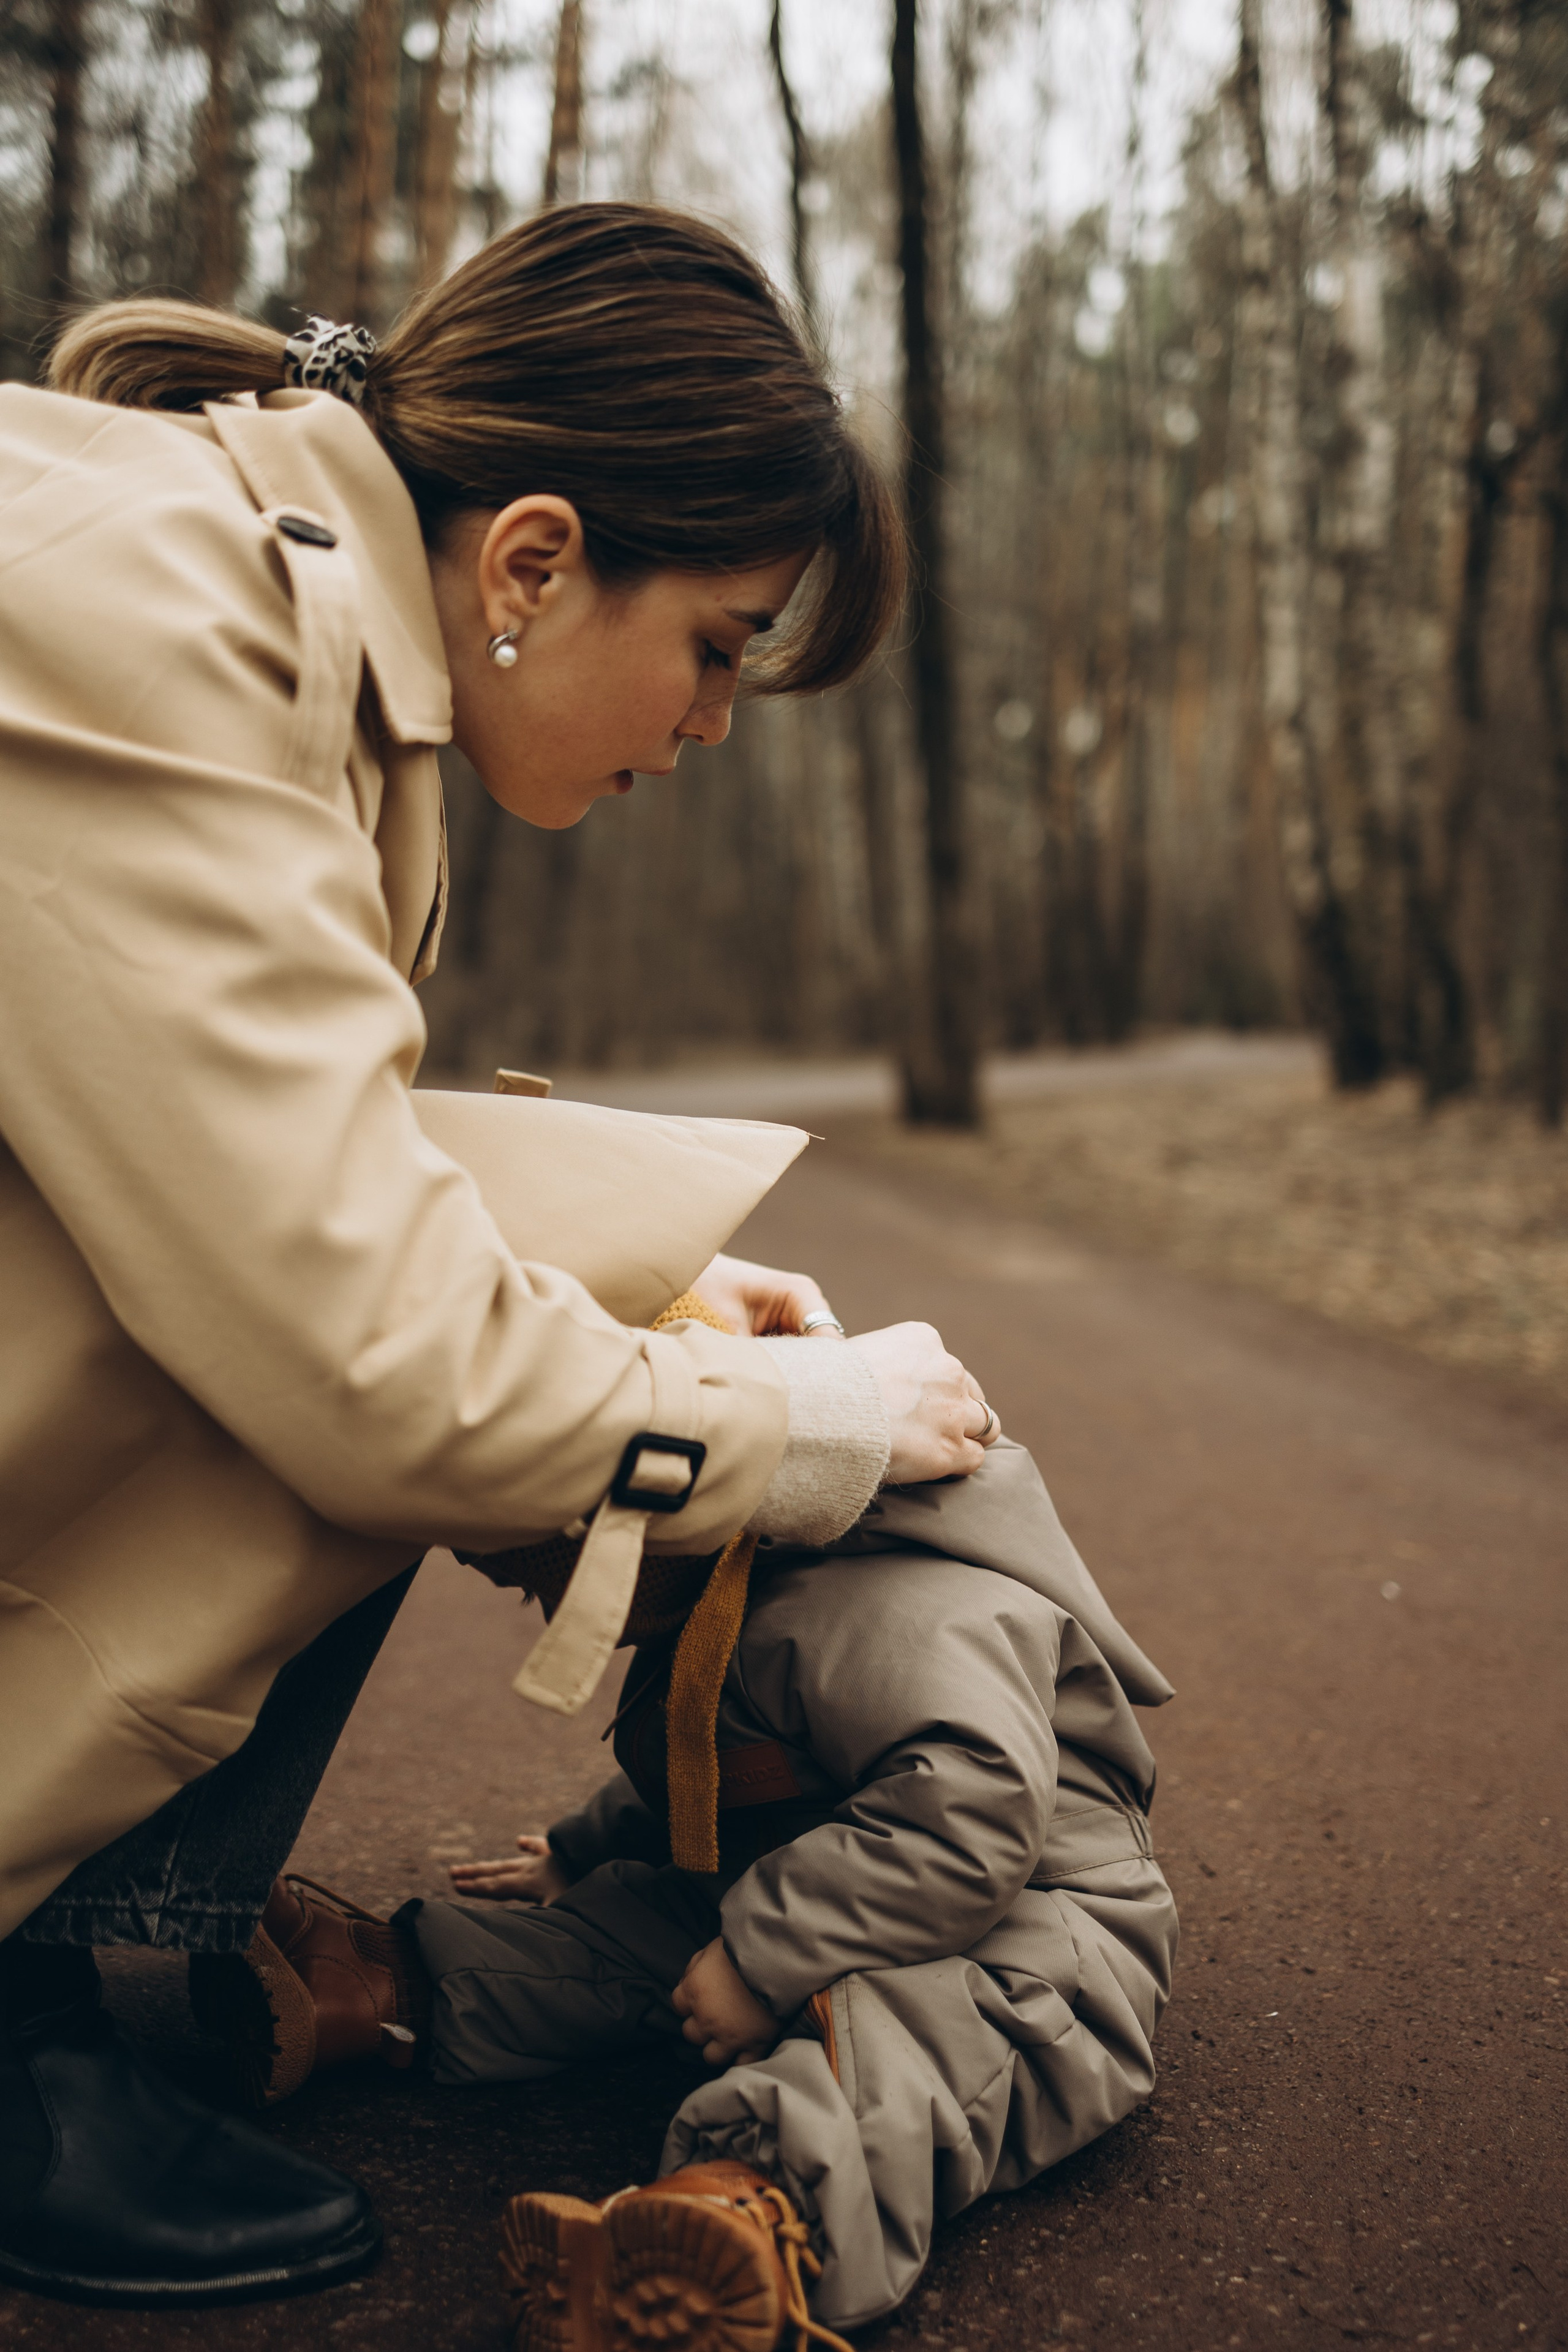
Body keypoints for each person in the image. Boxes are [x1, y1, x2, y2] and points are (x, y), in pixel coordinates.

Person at [0, 204, 998, 2309]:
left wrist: (639, 1302)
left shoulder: (269, 603)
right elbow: (363, 1356)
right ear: (537, 558)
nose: (719, 716)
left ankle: (92, 1954)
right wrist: (794, 1423)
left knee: (541, 1260)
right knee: (397, 1383)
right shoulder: (155, 627)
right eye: (720, 642)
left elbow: (270, 1173)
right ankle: (14, 2033)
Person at [227, 1430, 1177, 2352]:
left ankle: (750, 2210)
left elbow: (971, 1813)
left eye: (549, 1564)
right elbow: (710, 1775)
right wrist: (578, 1853)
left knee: (915, 2041)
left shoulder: (910, 1608)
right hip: (839, 1894)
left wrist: (762, 1960)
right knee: (635, 1924)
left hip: (1033, 1930)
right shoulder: (734, 1602)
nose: (528, 1594)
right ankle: (379, 1986)